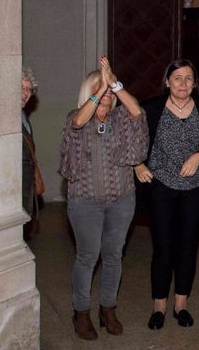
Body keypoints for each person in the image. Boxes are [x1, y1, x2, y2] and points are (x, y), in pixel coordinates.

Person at [59, 56, 148, 341]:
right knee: (87, 256)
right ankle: (81, 311)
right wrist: (99, 91)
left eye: (110, 89)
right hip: (85, 200)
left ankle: (108, 308)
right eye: (102, 89)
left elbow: (138, 112)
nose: (108, 94)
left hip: (121, 199)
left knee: (113, 255)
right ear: (90, 91)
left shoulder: (121, 119)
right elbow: (78, 122)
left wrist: (115, 84)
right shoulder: (77, 117)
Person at [134, 60, 199, 330]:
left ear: (194, 83)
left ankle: (180, 304)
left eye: (188, 79)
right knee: (162, 248)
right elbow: (132, 138)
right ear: (167, 82)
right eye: (177, 78)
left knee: (187, 247)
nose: (183, 84)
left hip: (195, 188)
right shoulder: (152, 109)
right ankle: (159, 306)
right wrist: (137, 163)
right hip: (161, 186)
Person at [22, 67, 44, 240]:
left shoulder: (23, 115)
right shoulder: (5, 117)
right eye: (21, 88)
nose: (25, 93)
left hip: (26, 185)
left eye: (29, 90)